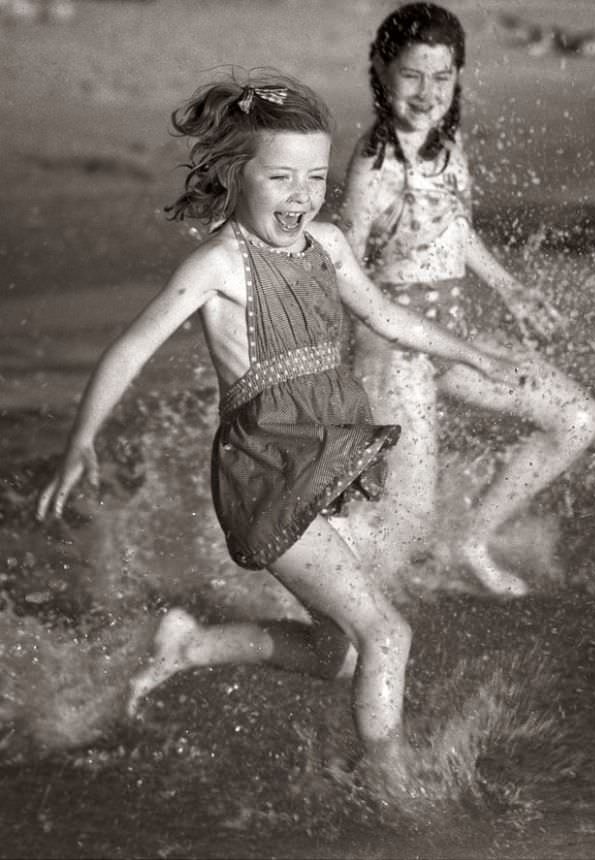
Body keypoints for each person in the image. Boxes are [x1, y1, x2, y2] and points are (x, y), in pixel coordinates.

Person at [36, 70, 522, 790]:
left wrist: (469, 350)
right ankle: (393, 791)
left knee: (350, 652)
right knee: (388, 633)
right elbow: (133, 348)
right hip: (266, 473)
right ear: (236, 177)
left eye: (316, 177)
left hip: (321, 459)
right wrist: (82, 442)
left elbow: (385, 316)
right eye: (282, 178)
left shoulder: (326, 242)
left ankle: (194, 644)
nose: (302, 195)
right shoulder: (218, 264)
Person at [340, 2, 595, 596]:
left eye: (442, 76)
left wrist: (510, 287)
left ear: (458, 75)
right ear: (381, 71)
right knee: (404, 531)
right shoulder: (372, 165)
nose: (428, 93)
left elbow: (453, 228)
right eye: (412, 74)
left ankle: (471, 540)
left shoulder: (448, 146)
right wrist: (354, 369)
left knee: (576, 418)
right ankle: (334, 606)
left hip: (452, 341)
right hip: (394, 353)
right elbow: (343, 265)